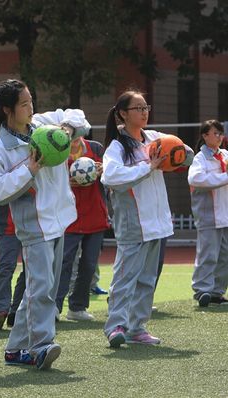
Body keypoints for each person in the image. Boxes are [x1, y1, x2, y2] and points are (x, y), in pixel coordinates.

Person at [0, 79, 90, 369]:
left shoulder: (43, 125)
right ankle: (41, 345)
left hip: (60, 218)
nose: (31, 108)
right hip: (34, 225)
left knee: (43, 287)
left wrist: (66, 129)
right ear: (7, 109)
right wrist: (28, 169)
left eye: (31, 101)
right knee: (41, 287)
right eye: (24, 104)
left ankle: (15, 349)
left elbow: (79, 117)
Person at [102, 89, 193, 347]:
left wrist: (181, 153)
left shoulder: (154, 138)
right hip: (133, 221)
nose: (144, 113)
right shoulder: (117, 146)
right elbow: (110, 177)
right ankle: (115, 326)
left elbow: (184, 152)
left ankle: (137, 327)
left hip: (157, 220)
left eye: (146, 108)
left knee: (147, 279)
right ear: (122, 113)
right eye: (138, 109)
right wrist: (147, 167)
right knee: (125, 276)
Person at [55, 135, 109, 321]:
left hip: (95, 215)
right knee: (63, 263)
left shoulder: (96, 148)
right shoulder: (57, 150)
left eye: (77, 133)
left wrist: (104, 170)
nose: (73, 138)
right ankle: (54, 307)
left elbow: (112, 174)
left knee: (89, 264)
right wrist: (64, 182)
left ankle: (77, 308)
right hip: (69, 216)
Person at [188, 120, 228, 307]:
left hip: (225, 213)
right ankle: (202, 290)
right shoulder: (200, 158)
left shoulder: (225, 155)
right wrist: (225, 177)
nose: (220, 137)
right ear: (205, 136)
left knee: (224, 256)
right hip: (209, 215)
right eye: (216, 133)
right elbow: (196, 179)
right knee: (208, 254)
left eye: (221, 133)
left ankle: (217, 292)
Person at [0, 204, 22, 330]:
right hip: (6, 222)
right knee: (6, 265)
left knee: (31, 269)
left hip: (33, 223)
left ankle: (17, 312)